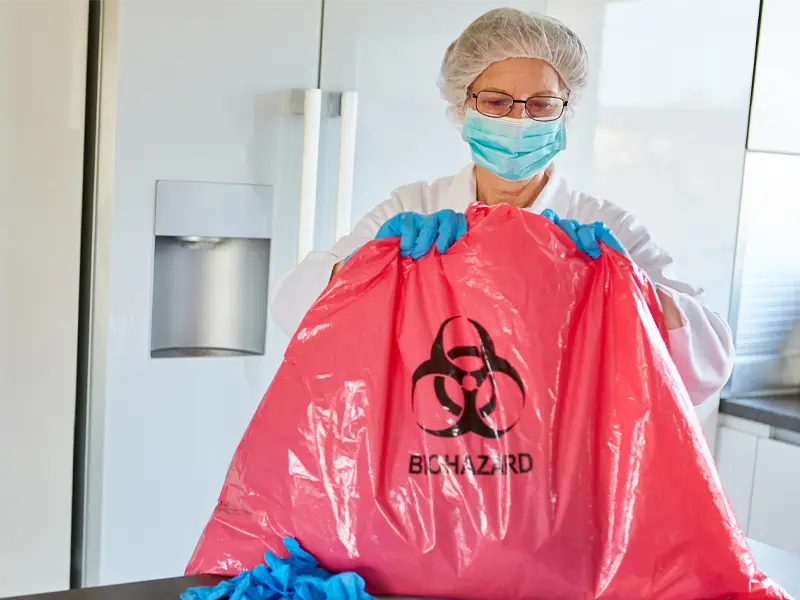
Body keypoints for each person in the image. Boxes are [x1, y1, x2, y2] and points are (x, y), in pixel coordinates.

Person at [272, 8, 734, 406]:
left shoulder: (601, 226)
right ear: (462, 107)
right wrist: (366, 266)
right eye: (495, 102)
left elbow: (710, 363)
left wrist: (633, 285)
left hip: (558, 477)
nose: (518, 121)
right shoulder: (417, 208)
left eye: (540, 105)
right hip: (430, 466)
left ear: (565, 110)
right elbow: (294, 312)